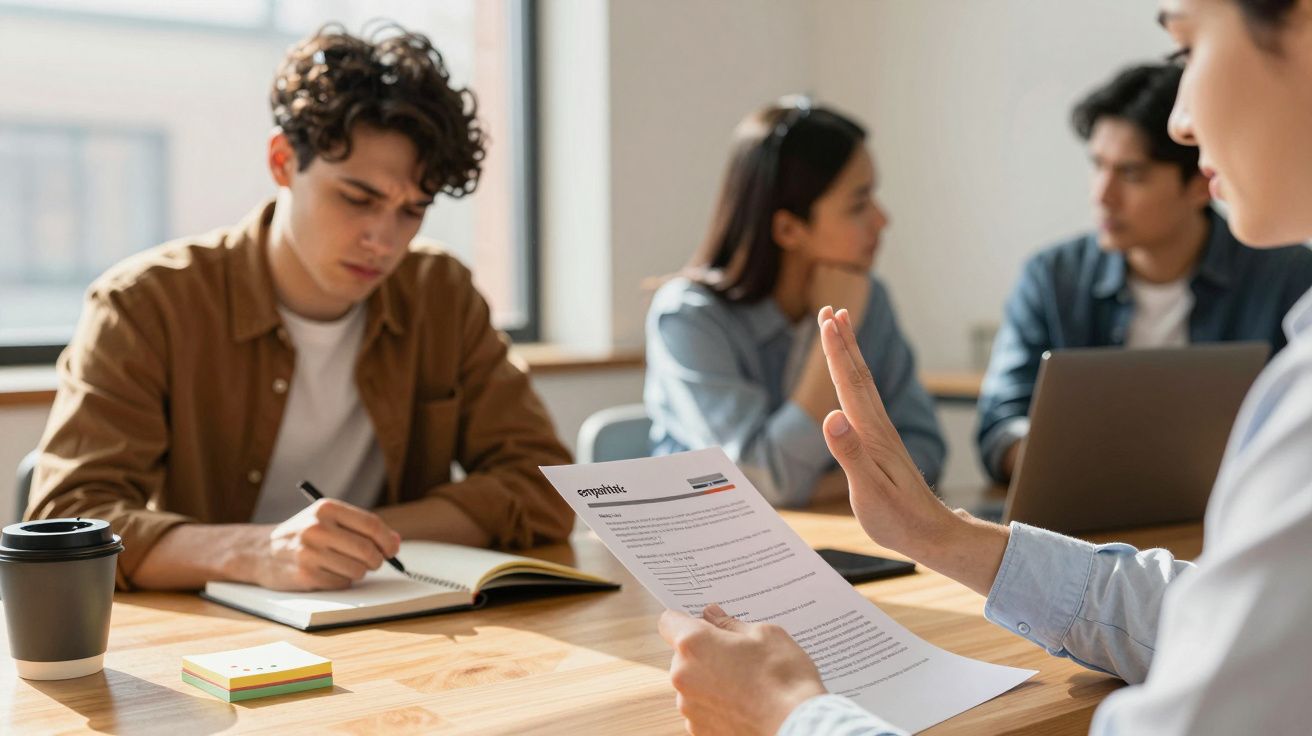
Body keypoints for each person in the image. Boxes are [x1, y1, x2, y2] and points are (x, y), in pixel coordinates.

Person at [659, 0, 1312, 733]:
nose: (1183, 122)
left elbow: (922, 443)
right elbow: (1221, 618)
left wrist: (788, 716)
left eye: (1187, 48)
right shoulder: (694, 316)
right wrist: (938, 534)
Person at [26, 24, 574, 593]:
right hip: (205, 640)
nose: (384, 241)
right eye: (358, 199)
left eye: (412, 210)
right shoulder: (144, 305)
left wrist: (358, 537)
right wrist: (258, 551)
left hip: (387, 614)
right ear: (283, 161)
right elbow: (67, 521)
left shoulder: (441, 294)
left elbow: (543, 487)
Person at [977, 62, 1312, 483]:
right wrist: (1073, 464)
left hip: (1231, 519)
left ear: (1199, 183)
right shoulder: (1051, 278)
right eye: (1098, 165)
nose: (1102, 194)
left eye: (1131, 174)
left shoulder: (1289, 275)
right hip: (1083, 521)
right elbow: (1000, 423)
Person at [644, 99, 945, 508]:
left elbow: (926, 452)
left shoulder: (868, 297)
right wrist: (834, 341)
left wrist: (798, 491)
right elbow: (762, 480)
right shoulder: (688, 318)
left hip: (843, 539)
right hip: (717, 557)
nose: (881, 220)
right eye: (859, 205)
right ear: (788, 228)